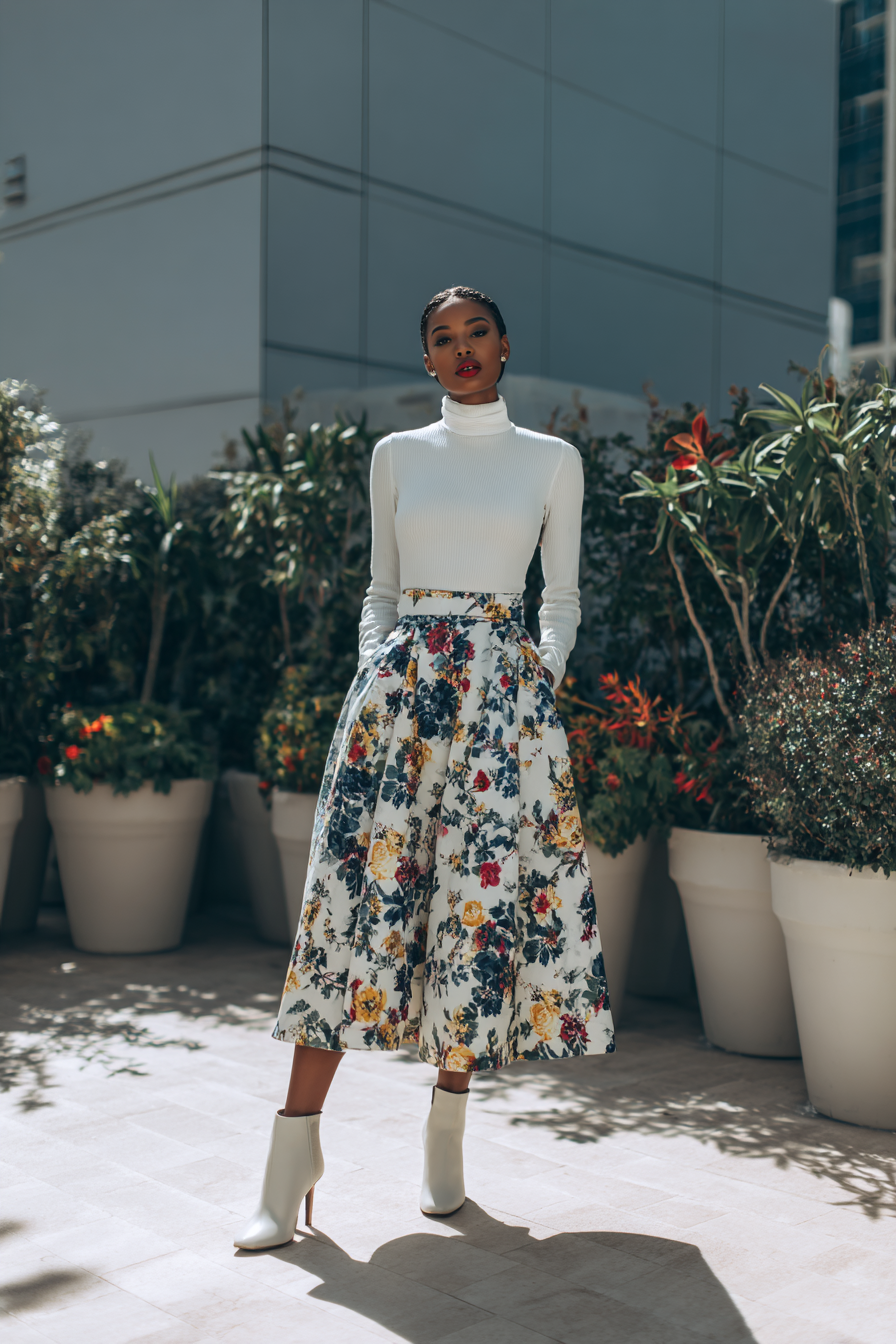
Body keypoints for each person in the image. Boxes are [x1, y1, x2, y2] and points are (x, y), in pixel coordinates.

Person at [234, 286, 615, 1251]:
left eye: (475, 332)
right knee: (348, 914)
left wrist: (537, 673)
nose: (460, 351)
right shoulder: (396, 456)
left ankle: (446, 1141)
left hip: (502, 708)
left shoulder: (552, 462)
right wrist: (378, 670)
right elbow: (381, 589)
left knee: (471, 918)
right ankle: (290, 1160)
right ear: (428, 360)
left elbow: (559, 598)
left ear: (504, 343)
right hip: (398, 705)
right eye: (440, 340)